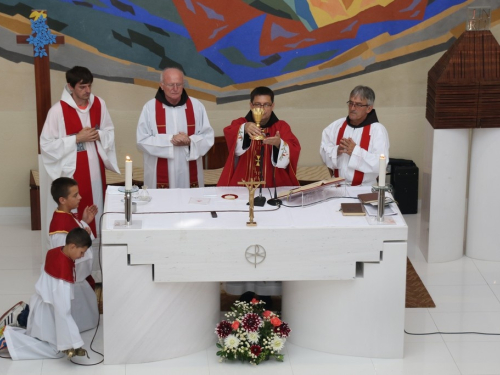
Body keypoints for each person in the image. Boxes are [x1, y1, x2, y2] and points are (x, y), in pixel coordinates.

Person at [40, 66, 119, 279]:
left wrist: (98, 135)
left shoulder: (99, 104)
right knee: (78, 211)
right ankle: (79, 266)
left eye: (89, 86)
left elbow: (109, 132)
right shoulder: (58, 111)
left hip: (96, 171)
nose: (87, 91)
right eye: (82, 87)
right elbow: (46, 144)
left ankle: (100, 268)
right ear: (70, 87)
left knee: (97, 210)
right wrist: (76, 139)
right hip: (75, 172)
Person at [0, 228, 92, 360]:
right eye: (82, 252)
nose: (82, 256)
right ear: (72, 246)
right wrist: (74, 344)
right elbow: (63, 310)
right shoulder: (63, 273)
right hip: (47, 313)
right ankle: (9, 340)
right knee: (55, 351)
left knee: (39, 337)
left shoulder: (55, 251)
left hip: (39, 304)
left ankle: (21, 316)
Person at [136, 67, 214, 189]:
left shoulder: (196, 106)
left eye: (179, 84)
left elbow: (208, 137)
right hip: (159, 175)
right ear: (161, 85)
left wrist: (190, 142)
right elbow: (142, 140)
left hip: (189, 172)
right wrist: (170, 140)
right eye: (171, 84)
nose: (175, 89)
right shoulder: (150, 108)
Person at [217, 86, 301, 187]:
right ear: (251, 105)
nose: (262, 109)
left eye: (266, 104)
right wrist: (244, 128)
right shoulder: (240, 123)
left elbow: (295, 148)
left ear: (272, 106)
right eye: (257, 104)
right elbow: (229, 133)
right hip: (242, 182)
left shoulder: (281, 126)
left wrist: (279, 144)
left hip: (272, 184)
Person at [49, 177, 99, 333]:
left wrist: (84, 221)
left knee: (88, 316)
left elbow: (76, 238)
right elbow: (67, 257)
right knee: (79, 321)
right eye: (75, 195)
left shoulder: (67, 215)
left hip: (80, 280)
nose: (80, 197)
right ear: (62, 199)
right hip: (73, 284)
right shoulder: (59, 229)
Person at [320, 85, 389, 186]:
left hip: (365, 188)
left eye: (358, 105)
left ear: (369, 108)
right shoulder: (336, 126)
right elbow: (323, 151)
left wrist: (355, 151)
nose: (352, 108)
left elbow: (380, 164)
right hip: (337, 186)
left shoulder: (378, 130)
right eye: (351, 103)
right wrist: (336, 151)